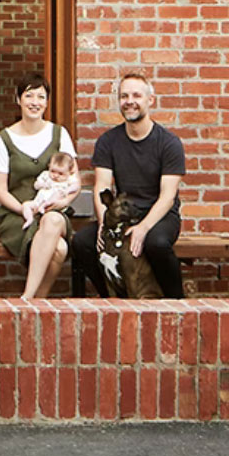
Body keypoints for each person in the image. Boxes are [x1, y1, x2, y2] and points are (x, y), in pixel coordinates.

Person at [87, 72, 188, 299]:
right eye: (124, 96)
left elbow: (167, 196)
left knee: (157, 244)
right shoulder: (108, 141)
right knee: (83, 243)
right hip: (122, 215)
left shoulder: (169, 143)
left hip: (160, 215)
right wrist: (104, 224)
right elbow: (101, 188)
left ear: (150, 100)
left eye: (136, 95)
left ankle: (176, 303)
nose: (129, 101)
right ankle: (112, 300)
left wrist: (143, 228)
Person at [0, 75, 78, 300]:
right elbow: (1, 190)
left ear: (47, 102)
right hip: (17, 216)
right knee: (60, 248)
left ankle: (27, 299)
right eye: (28, 95)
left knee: (54, 219)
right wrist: (24, 209)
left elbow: (75, 181)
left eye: (41, 96)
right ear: (18, 99)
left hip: (53, 210)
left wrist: (63, 202)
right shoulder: (4, 139)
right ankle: (38, 302)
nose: (34, 102)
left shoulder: (59, 134)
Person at [21, 150, 83, 225]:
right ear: (49, 166)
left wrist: (67, 190)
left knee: (57, 194)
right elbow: (36, 185)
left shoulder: (69, 179)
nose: (55, 175)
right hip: (38, 202)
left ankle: (44, 206)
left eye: (61, 173)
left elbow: (76, 186)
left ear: (69, 172)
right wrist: (42, 185)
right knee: (25, 205)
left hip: (54, 203)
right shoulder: (46, 175)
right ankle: (29, 219)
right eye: (53, 171)